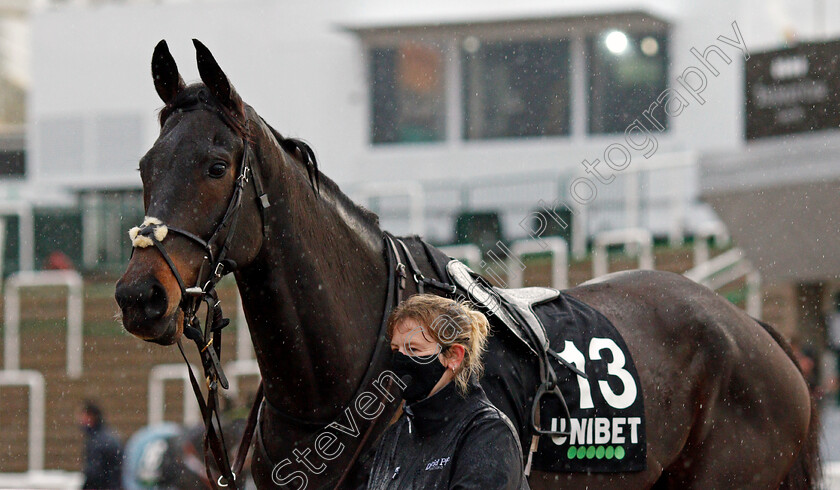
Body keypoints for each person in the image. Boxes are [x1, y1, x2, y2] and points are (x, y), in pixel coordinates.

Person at [367, 294, 528, 489]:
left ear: (453, 356)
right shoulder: (396, 436)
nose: (401, 360)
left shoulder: (489, 434)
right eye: (395, 350)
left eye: (414, 349)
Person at [78, 400, 123, 489]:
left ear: (91, 417)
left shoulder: (97, 442)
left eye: (83, 416)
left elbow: (94, 474)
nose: (80, 421)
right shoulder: (109, 436)